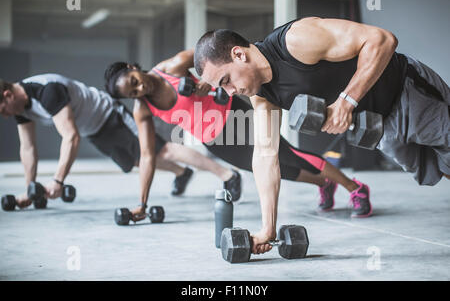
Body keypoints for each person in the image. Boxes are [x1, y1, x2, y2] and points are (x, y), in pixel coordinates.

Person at [194, 17, 450, 254]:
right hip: (378, 125)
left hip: (406, 89)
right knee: (433, 170)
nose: (228, 93)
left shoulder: (296, 40)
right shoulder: (262, 97)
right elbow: (264, 156)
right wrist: (267, 229)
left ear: (238, 54)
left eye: (226, 80)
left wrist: (346, 101)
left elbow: (382, 39)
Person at [104, 49, 371, 224]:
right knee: (277, 171)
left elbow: (208, 57)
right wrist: (142, 203)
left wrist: (206, 82)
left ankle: (355, 188)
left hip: (234, 115)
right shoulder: (143, 110)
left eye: (134, 81)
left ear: (132, 68)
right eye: (133, 93)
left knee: (287, 154)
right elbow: (148, 155)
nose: (140, 88)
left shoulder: (171, 68)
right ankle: (323, 183)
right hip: (216, 141)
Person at [0, 74, 238, 211]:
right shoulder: (20, 108)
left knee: (161, 150)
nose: (5, 115)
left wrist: (57, 181)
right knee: (134, 161)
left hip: (109, 115)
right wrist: (30, 188)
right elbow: (28, 148)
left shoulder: (47, 91)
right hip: (94, 129)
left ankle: (228, 175)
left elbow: (70, 137)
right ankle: (182, 173)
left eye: (2, 109)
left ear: (7, 95)